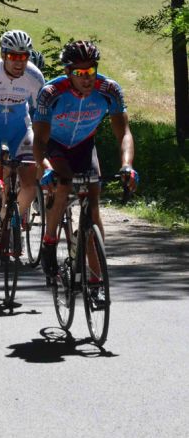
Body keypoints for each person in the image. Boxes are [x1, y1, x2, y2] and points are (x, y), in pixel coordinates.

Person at [32, 40, 139, 277]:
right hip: (55, 145)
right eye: (80, 73)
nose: (87, 78)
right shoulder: (51, 93)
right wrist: (45, 166)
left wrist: (127, 165)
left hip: (84, 145)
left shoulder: (109, 90)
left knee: (93, 205)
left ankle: (96, 280)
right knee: (64, 184)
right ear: (67, 71)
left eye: (91, 70)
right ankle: (49, 241)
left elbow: (124, 133)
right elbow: (39, 139)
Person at [0, 29, 45, 268]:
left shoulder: (34, 77)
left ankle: (10, 216)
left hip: (19, 130)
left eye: (23, 56)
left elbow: (41, 115)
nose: (19, 62)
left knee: (30, 181)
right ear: (3, 55)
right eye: (13, 56)